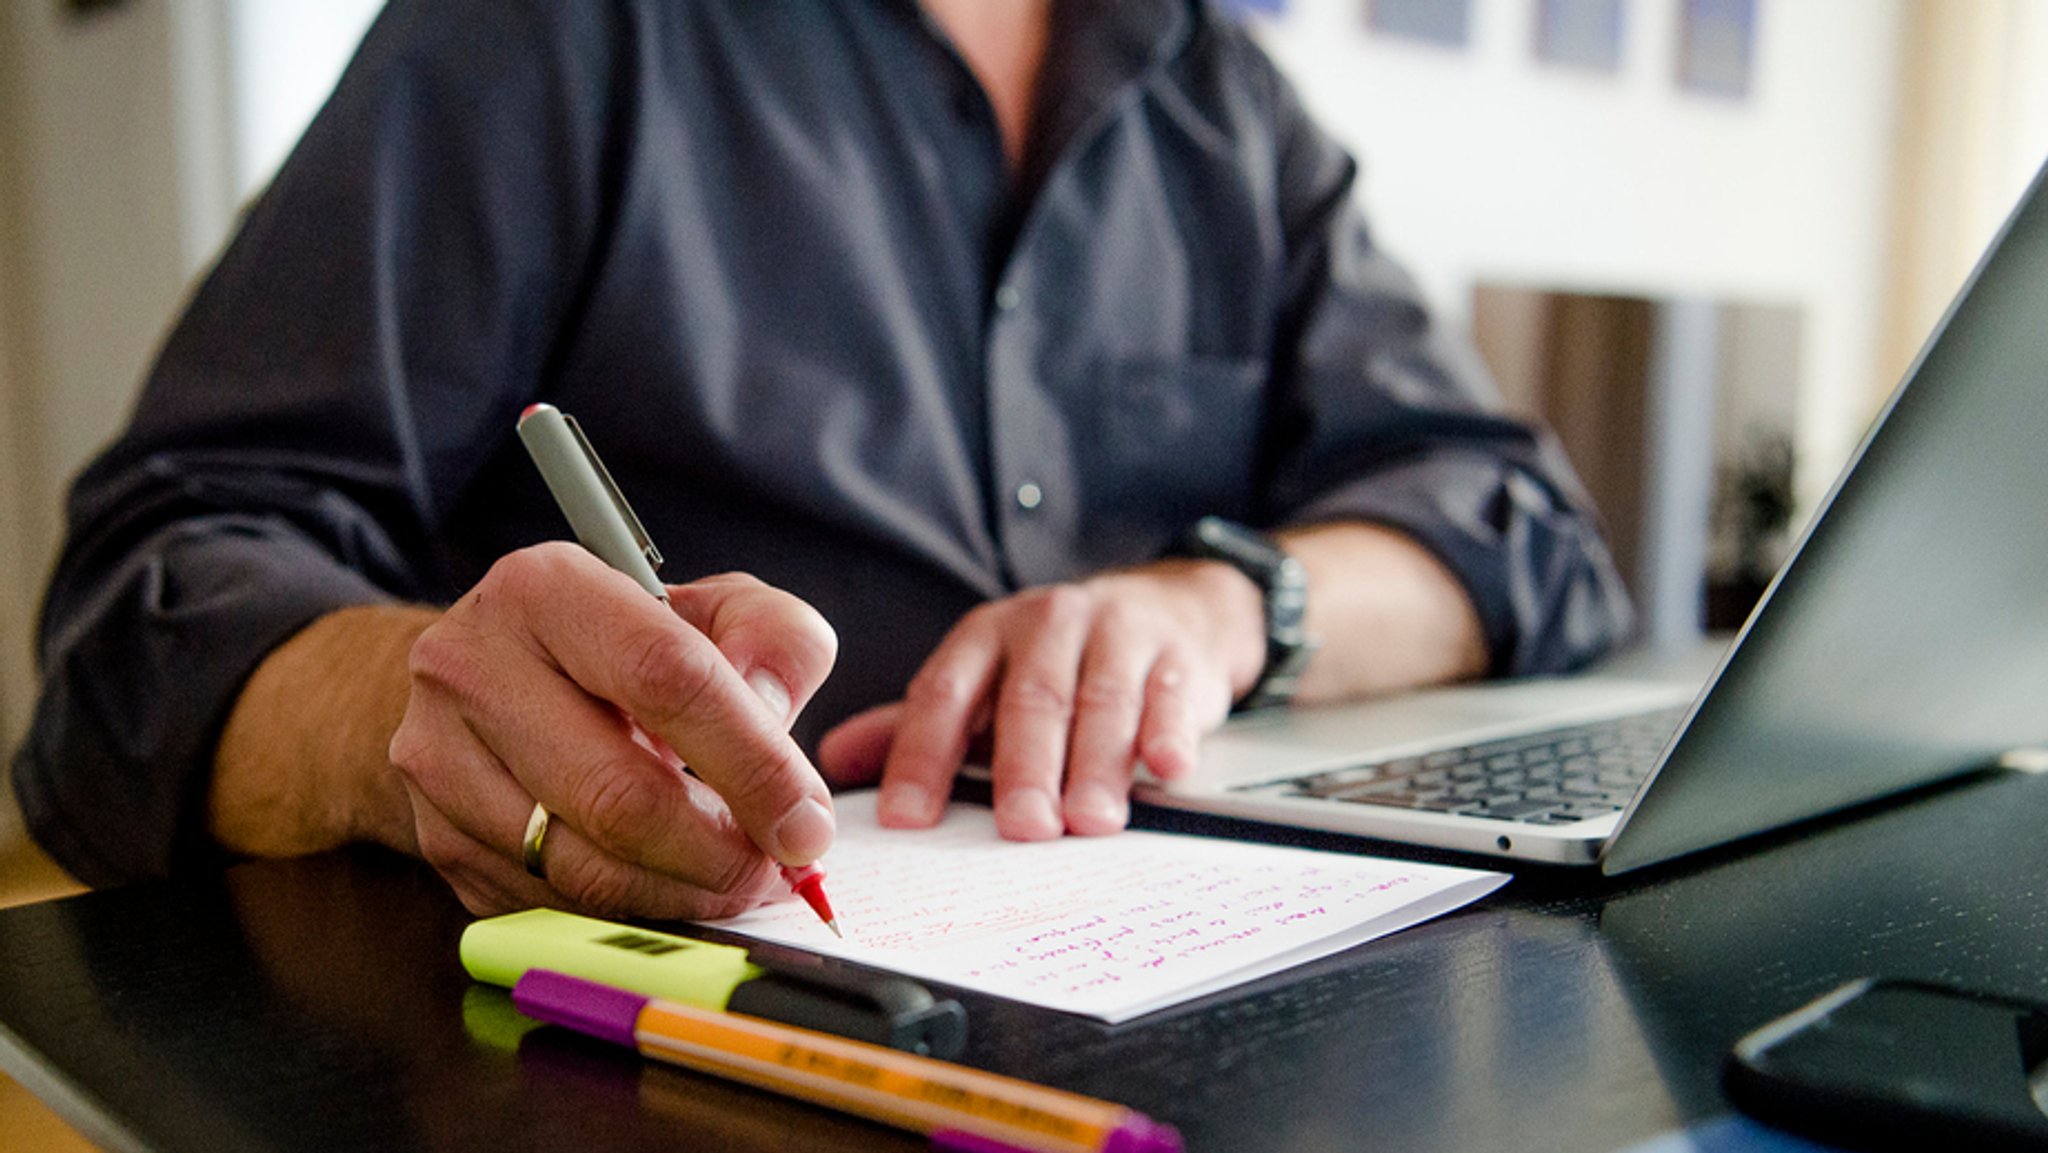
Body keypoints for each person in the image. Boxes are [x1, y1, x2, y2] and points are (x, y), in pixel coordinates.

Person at [10, 0, 1631, 919]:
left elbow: (1516, 528)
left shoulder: (1222, 94)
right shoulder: (544, 33)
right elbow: (141, 614)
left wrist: (1223, 607)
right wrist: (404, 708)